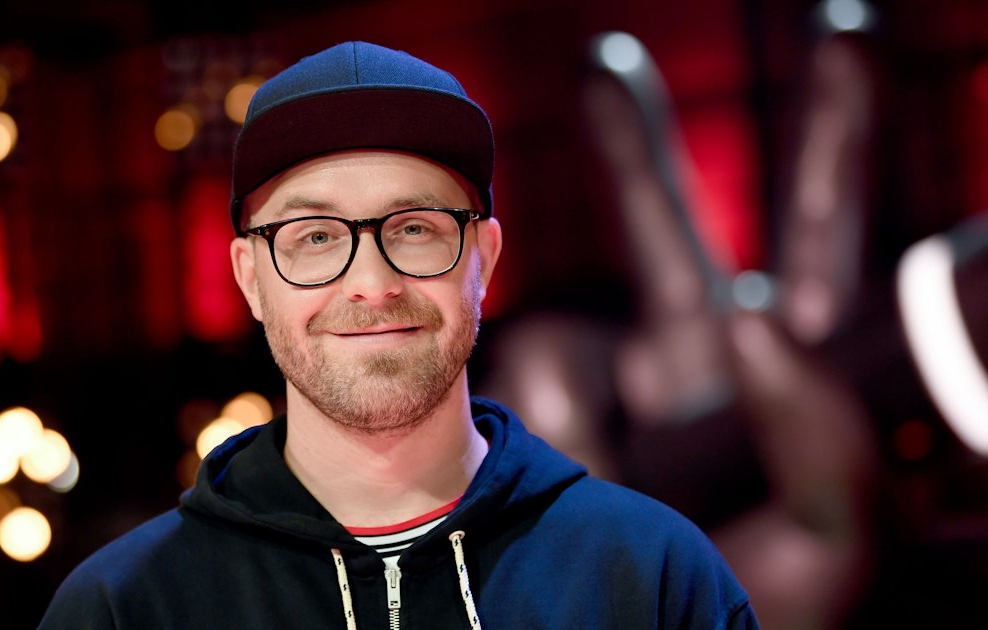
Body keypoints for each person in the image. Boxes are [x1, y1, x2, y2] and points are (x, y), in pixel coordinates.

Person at [38, 40, 759, 629]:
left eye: (414, 228)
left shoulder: (650, 574)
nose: (372, 282)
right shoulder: (125, 608)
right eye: (315, 236)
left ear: (483, 260)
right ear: (250, 278)